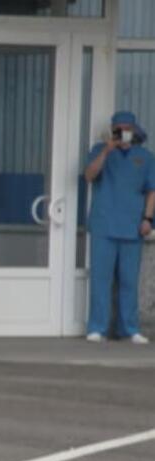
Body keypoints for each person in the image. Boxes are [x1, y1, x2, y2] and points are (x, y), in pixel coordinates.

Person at [83, 110, 153, 344]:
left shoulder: (145, 157)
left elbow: (152, 190)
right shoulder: (99, 150)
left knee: (129, 280)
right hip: (104, 224)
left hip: (132, 226)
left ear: (134, 131)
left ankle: (129, 328)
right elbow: (89, 176)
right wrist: (106, 150)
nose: (122, 133)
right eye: (118, 128)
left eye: (127, 128)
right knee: (100, 279)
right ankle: (97, 327)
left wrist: (148, 218)